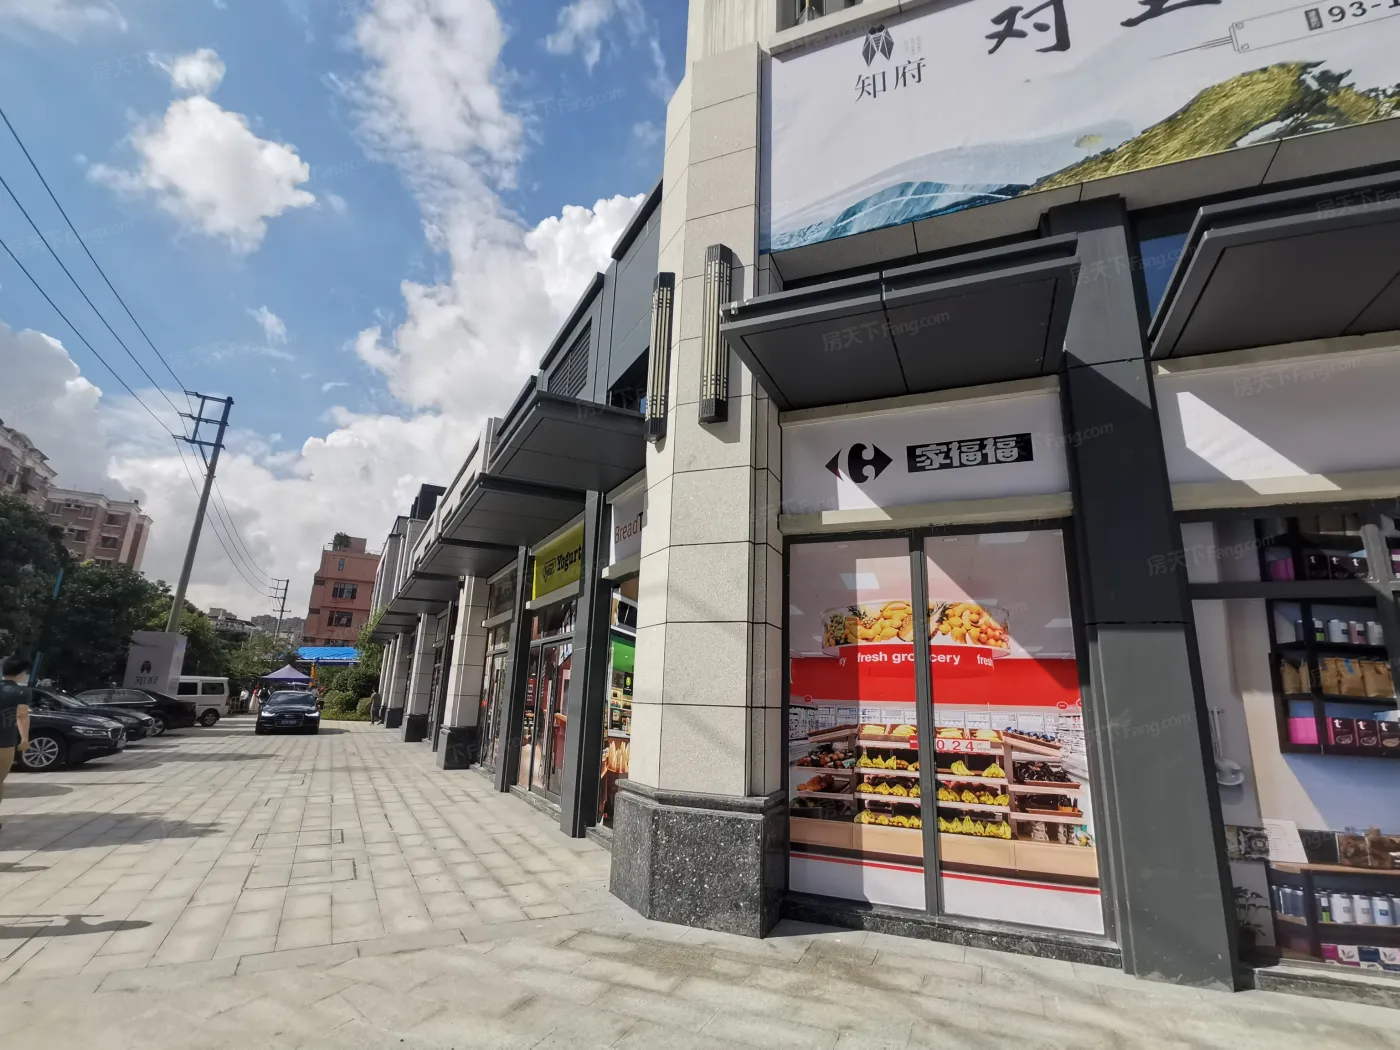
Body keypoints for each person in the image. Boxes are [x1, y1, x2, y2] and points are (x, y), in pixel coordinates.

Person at [1, 656, 33, 830]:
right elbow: (22, 716)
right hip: (4, 742)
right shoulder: (21, 692)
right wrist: (25, 739)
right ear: (21, 673)